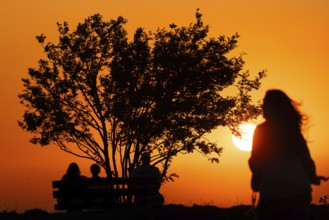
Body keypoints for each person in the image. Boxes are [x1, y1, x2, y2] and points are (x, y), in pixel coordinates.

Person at [249, 89, 328, 220]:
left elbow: (255, 162)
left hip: (274, 195)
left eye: (265, 103)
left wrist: (256, 181)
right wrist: (313, 177)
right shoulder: (293, 131)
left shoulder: (262, 130)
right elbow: (306, 159)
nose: (262, 106)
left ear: (272, 107)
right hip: (300, 193)